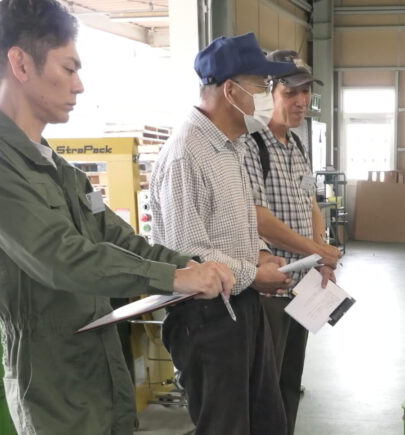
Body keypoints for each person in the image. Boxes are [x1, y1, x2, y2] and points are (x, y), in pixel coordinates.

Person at [0, 1, 234, 434]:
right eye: (69, 69)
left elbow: (124, 241)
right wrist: (173, 279)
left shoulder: (61, 170)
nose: (80, 85)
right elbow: (56, 256)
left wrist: (190, 266)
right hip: (51, 378)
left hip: (102, 363)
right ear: (20, 63)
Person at [149, 33, 298, 435]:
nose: (266, 96)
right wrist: (255, 272)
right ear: (230, 90)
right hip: (207, 319)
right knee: (225, 426)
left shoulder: (234, 146)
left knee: (267, 420)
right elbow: (187, 253)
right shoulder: (185, 154)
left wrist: (262, 253)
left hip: (243, 306)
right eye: (260, 86)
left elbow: (242, 218)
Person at [243, 50, 341, 435]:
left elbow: (311, 202)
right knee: (265, 387)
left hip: (301, 287)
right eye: (291, 91)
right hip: (270, 286)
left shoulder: (297, 145)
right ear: (270, 91)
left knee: (289, 380)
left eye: (305, 91)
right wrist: (314, 250)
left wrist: (323, 255)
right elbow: (257, 216)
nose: (301, 101)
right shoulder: (253, 145)